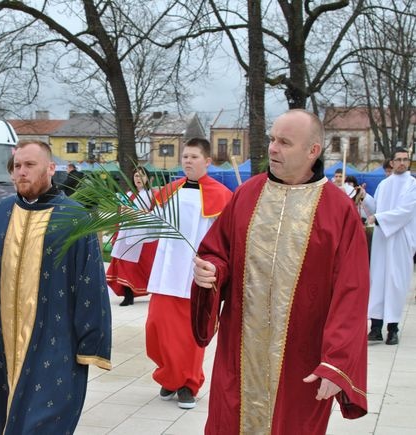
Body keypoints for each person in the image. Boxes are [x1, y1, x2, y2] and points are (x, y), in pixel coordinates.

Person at [192, 109, 369, 434]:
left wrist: (336, 361)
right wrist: (210, 271)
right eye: (272, 139)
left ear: (312, 151)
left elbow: (352, 291)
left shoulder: (338, 210)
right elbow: (217, 251)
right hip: (240, 355)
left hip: (301, 364)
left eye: (284, 142)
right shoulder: (246, 195)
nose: (273, 148)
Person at [0, 140, 112, 434]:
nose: (21, 172)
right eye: (17, 166)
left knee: (43, 423)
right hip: (4, 342)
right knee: (12, 420)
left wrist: (91, 342)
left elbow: (91, 285)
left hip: (57, 344)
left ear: (51, 168)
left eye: (29, 165)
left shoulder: (74, 218)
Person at [136, 138, 232, 409]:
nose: (188, 161)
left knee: (190, 335)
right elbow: (152, 226)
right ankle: (169, 376)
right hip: (166, 274)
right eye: (185, 156)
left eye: (194, 157)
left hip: (194, 277)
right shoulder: (168, 191)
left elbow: (225, 238)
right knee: (156, 329)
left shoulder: (221, 196)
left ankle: (188, 384)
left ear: (207, 162)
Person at [367, 147, 416, 345]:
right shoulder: (384, 184)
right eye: (399, 159)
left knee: (395, 283)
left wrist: (378, 218)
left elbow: (405, 211)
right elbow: (376, 207)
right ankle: (376, 328)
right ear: (392, 162)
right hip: (382, 239)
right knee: (378, 281)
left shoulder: (412, 184)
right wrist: (364, 199)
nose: (403, 163)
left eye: (406, 159)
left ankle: (393, 329)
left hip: (401, 240)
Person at [106, 166, 158, 306]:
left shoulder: (151, 195)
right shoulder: (128, 194)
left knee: (143, 267)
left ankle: (153, 291)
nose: (138, 179)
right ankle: (128, 295)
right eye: (136, 175)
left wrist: (139, 213)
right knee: (124, 265)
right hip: (126, 234)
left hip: (143, 238)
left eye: (142, 175)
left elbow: (157, 214)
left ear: (148, 178)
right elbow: (120, 215)